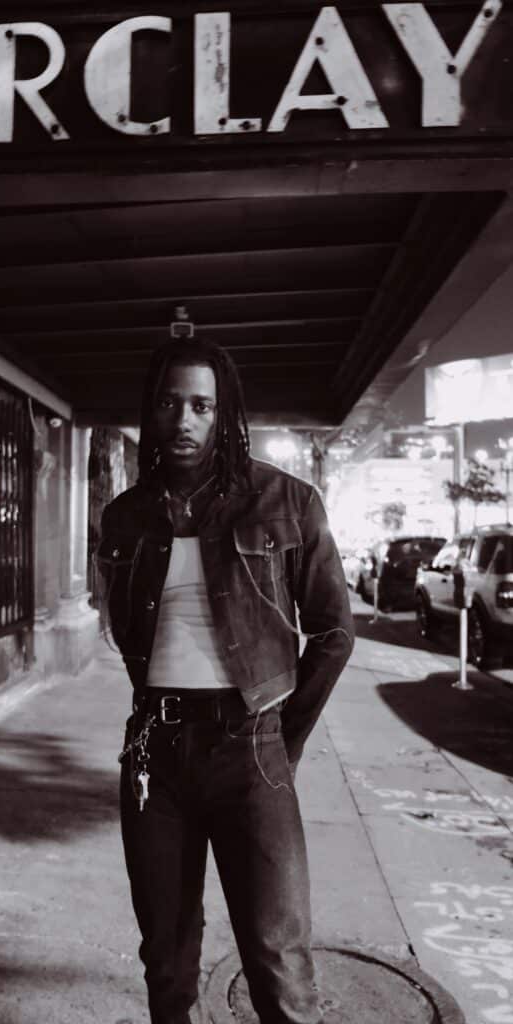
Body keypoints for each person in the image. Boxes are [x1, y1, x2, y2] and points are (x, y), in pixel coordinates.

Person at [97, 338, 354, 1024]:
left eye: (200, 405)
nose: (183, 418)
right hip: (154, 754)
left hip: (251, 748)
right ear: (151, 412)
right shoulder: (124, 517)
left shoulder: (284, 501)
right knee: (167, 957)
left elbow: (332, 632)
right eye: (170, 402)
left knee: (278, 962)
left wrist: (280, 741)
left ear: (223, 413)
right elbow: (126, 631)